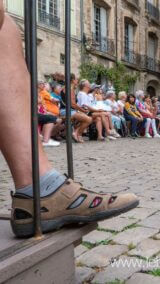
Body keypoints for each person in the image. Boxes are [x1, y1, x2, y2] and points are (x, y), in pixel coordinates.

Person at [0, 10, 139, 237]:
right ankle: (45, 182)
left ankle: (37, 186)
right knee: (90, 116)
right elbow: (67, 104)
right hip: (63, 112)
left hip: (65, 111)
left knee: (7, 31)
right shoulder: (62, 93)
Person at [60, 73, 92, 143]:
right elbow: (73, 104)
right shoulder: (69, 89)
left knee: (86, 116)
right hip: (66, 111)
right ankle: (78, 134)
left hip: (69, 110)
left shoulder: (68, 88)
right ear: (72, 80)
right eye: (76, 79)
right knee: (89, 119)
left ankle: (75, 132)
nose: (77, 80)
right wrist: (82, 110)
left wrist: (81, 110)